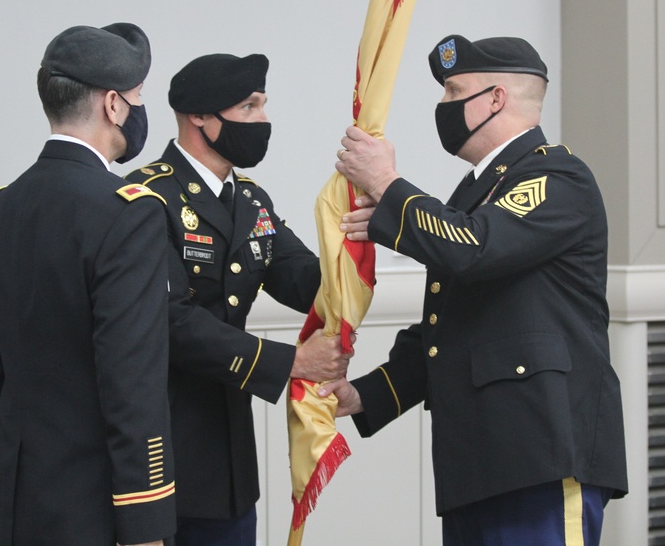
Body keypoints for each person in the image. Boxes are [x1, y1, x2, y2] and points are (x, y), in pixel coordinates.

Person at [322, 34, 628, 545]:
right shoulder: (477, 193)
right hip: (480, 464)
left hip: (542, 455)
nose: (443, 105)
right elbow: (452, 326)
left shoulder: (557, 175)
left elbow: (473, 249)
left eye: (452, 91)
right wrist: (365, 394)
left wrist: (388, 183)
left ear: (495, 99)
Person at [124, 53, 367, 546]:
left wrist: (358, 231)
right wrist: (296, 360)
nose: (263, 120)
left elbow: (303, 280)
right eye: (249, 107)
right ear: (199, 116)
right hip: (161, 450)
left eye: (263, 105)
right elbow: (173, 321)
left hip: (228, 459)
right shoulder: (148, 199)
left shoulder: (251, 200)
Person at [0, 23, 175, 546]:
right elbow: (133, 387)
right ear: (113, 105)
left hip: (15, 510)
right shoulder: (130, 214)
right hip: (100, 515)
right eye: (138, 97)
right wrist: (146, 524)